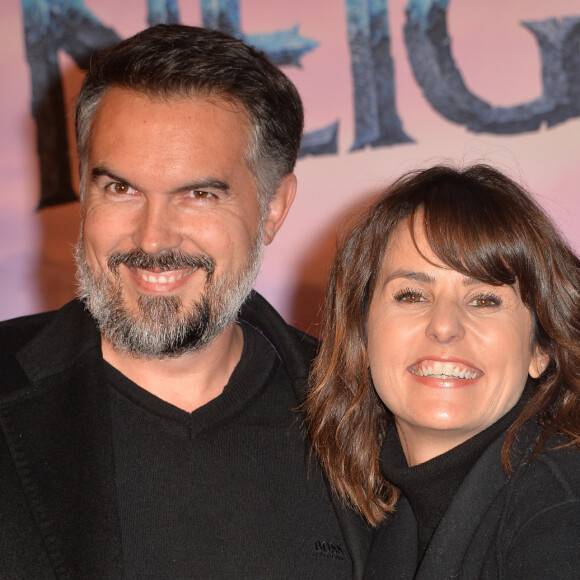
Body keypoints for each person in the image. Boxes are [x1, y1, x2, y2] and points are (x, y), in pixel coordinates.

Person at [0, 24, 370, 579]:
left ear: (272, 209)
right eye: (120, 189)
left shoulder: (368, 414)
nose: (153, 240)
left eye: (198, 195)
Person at [305, 164, 580, 578]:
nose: (445, 327)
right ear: (362, 336)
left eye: (484, 300)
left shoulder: (560, 508)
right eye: (412, 295)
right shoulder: (376, 520)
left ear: (540, 348)